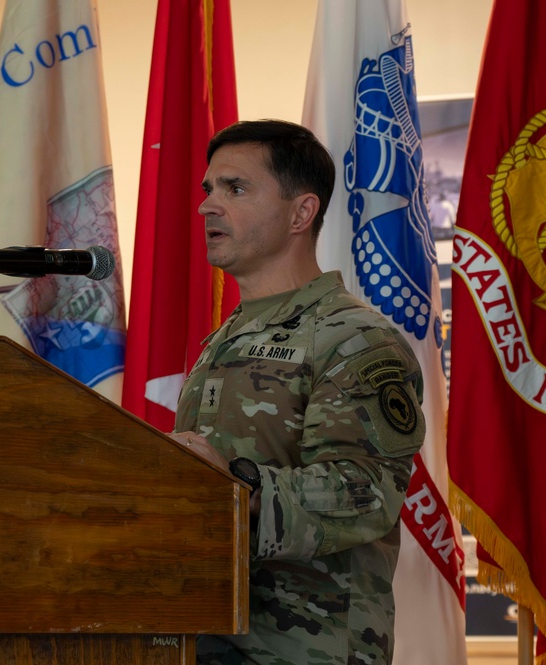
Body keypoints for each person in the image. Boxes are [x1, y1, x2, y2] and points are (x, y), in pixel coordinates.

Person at [170, 119, 425, 665]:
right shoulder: (229, 335)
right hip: (212, 635)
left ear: (301, 213)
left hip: (307, 647)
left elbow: (367, 493)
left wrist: (237, 483)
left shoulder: (355, 338)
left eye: (234, 189)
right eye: (207, 190)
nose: (207, 206)